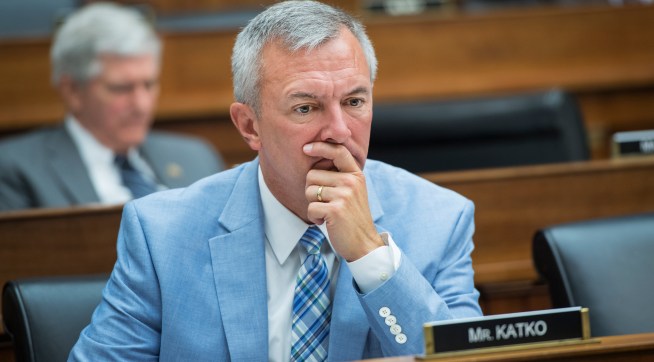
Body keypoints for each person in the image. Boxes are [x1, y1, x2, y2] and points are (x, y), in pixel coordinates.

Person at [69, 1, 481, 360]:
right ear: (250, 126)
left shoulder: (441, 221)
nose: (338, 130)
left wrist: (371, 258)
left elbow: (464, 360)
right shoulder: (161, 235)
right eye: (306, 108)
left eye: (354, 101)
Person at [0, 2, 225, 212]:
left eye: (149, 84)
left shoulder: (196, 158)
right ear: (72, 91)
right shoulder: (16, 170)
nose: (141, 105)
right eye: (121, 88)